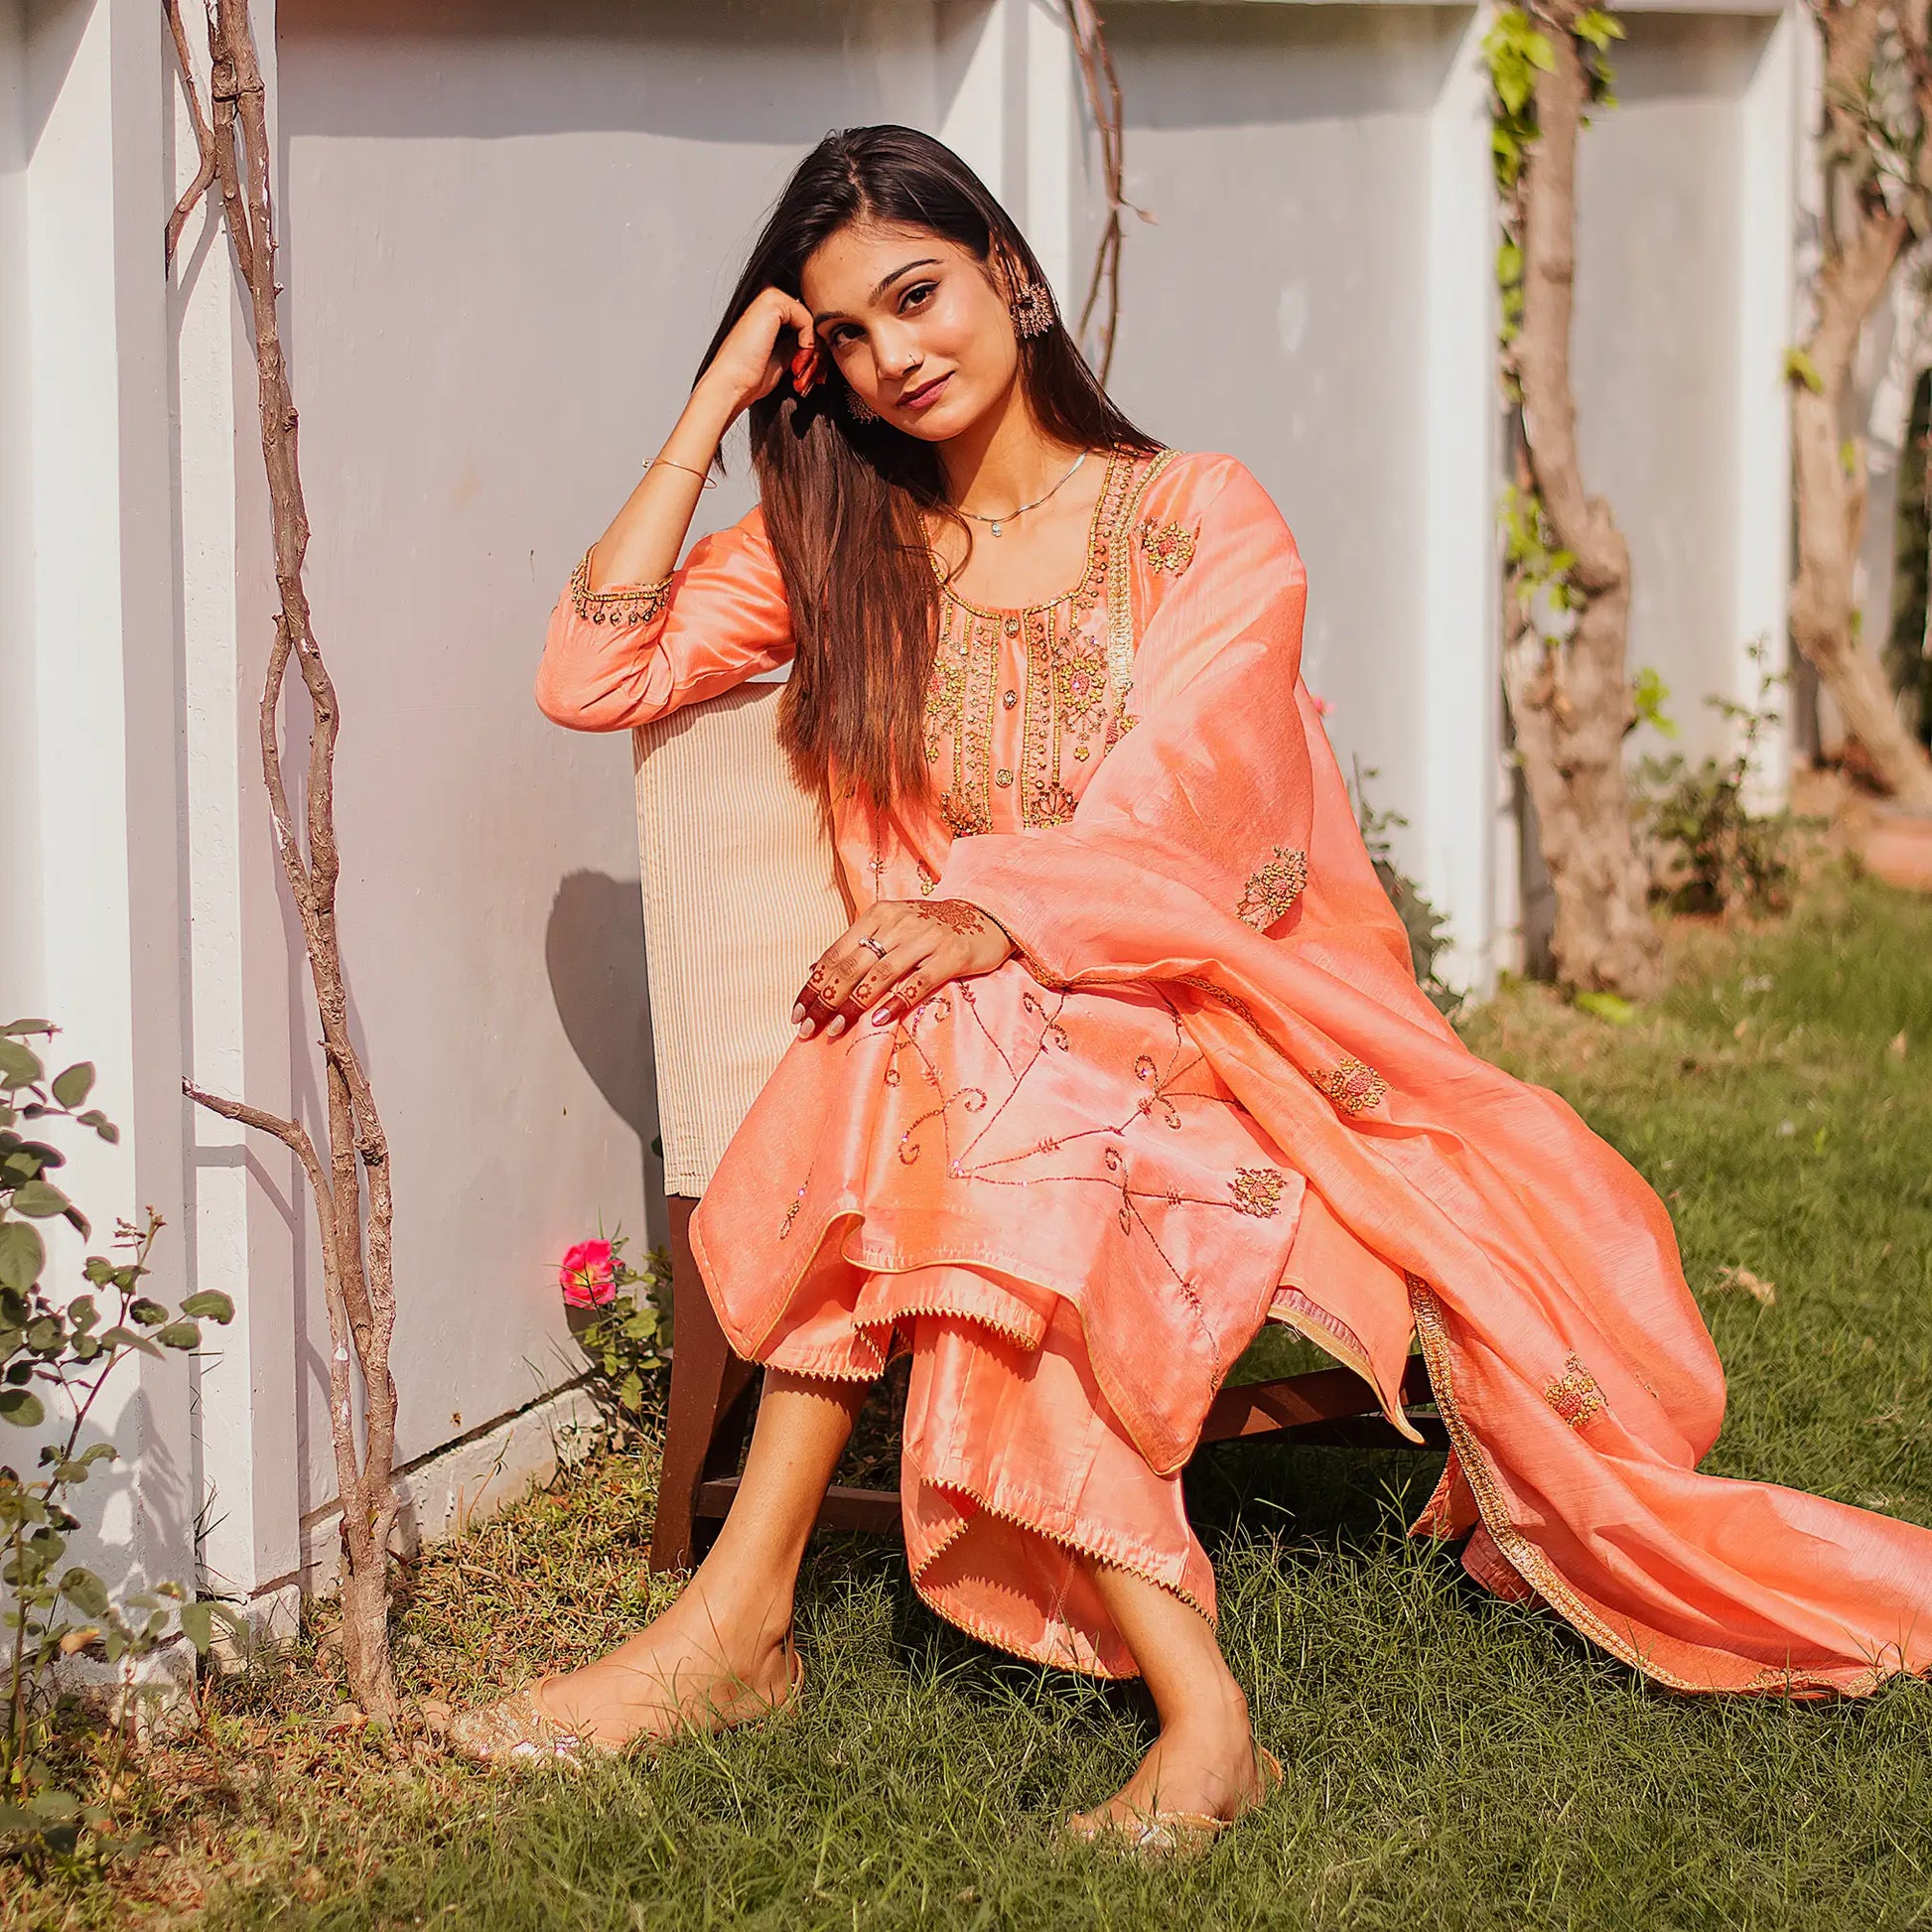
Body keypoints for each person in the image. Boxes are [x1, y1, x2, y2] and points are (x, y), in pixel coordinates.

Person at [457, 125, 1932, 1848]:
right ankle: (1184, 1708)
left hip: (1212, 1017)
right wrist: (715, 404)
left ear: (1012, 274)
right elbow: (593, 667)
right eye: (843, 335)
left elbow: (1192, 796)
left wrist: (992, 915)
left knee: (940, 1034)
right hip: (975, 1047)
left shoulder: (1197, 515)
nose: (890, 357)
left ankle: (736, 1622)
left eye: (916, 295)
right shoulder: (848, 548)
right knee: (947, 1049)